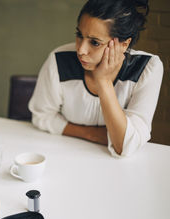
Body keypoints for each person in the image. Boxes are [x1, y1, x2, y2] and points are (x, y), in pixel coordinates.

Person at [28, 0, 163, 157]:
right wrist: (93, 134)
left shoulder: (147, 68)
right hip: (65, 154)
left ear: (124, 45)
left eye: (94, 42)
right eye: (79, 35)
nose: (81, 50)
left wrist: (103, 82)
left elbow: (124, 146)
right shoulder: (59, 59)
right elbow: (41, 116)